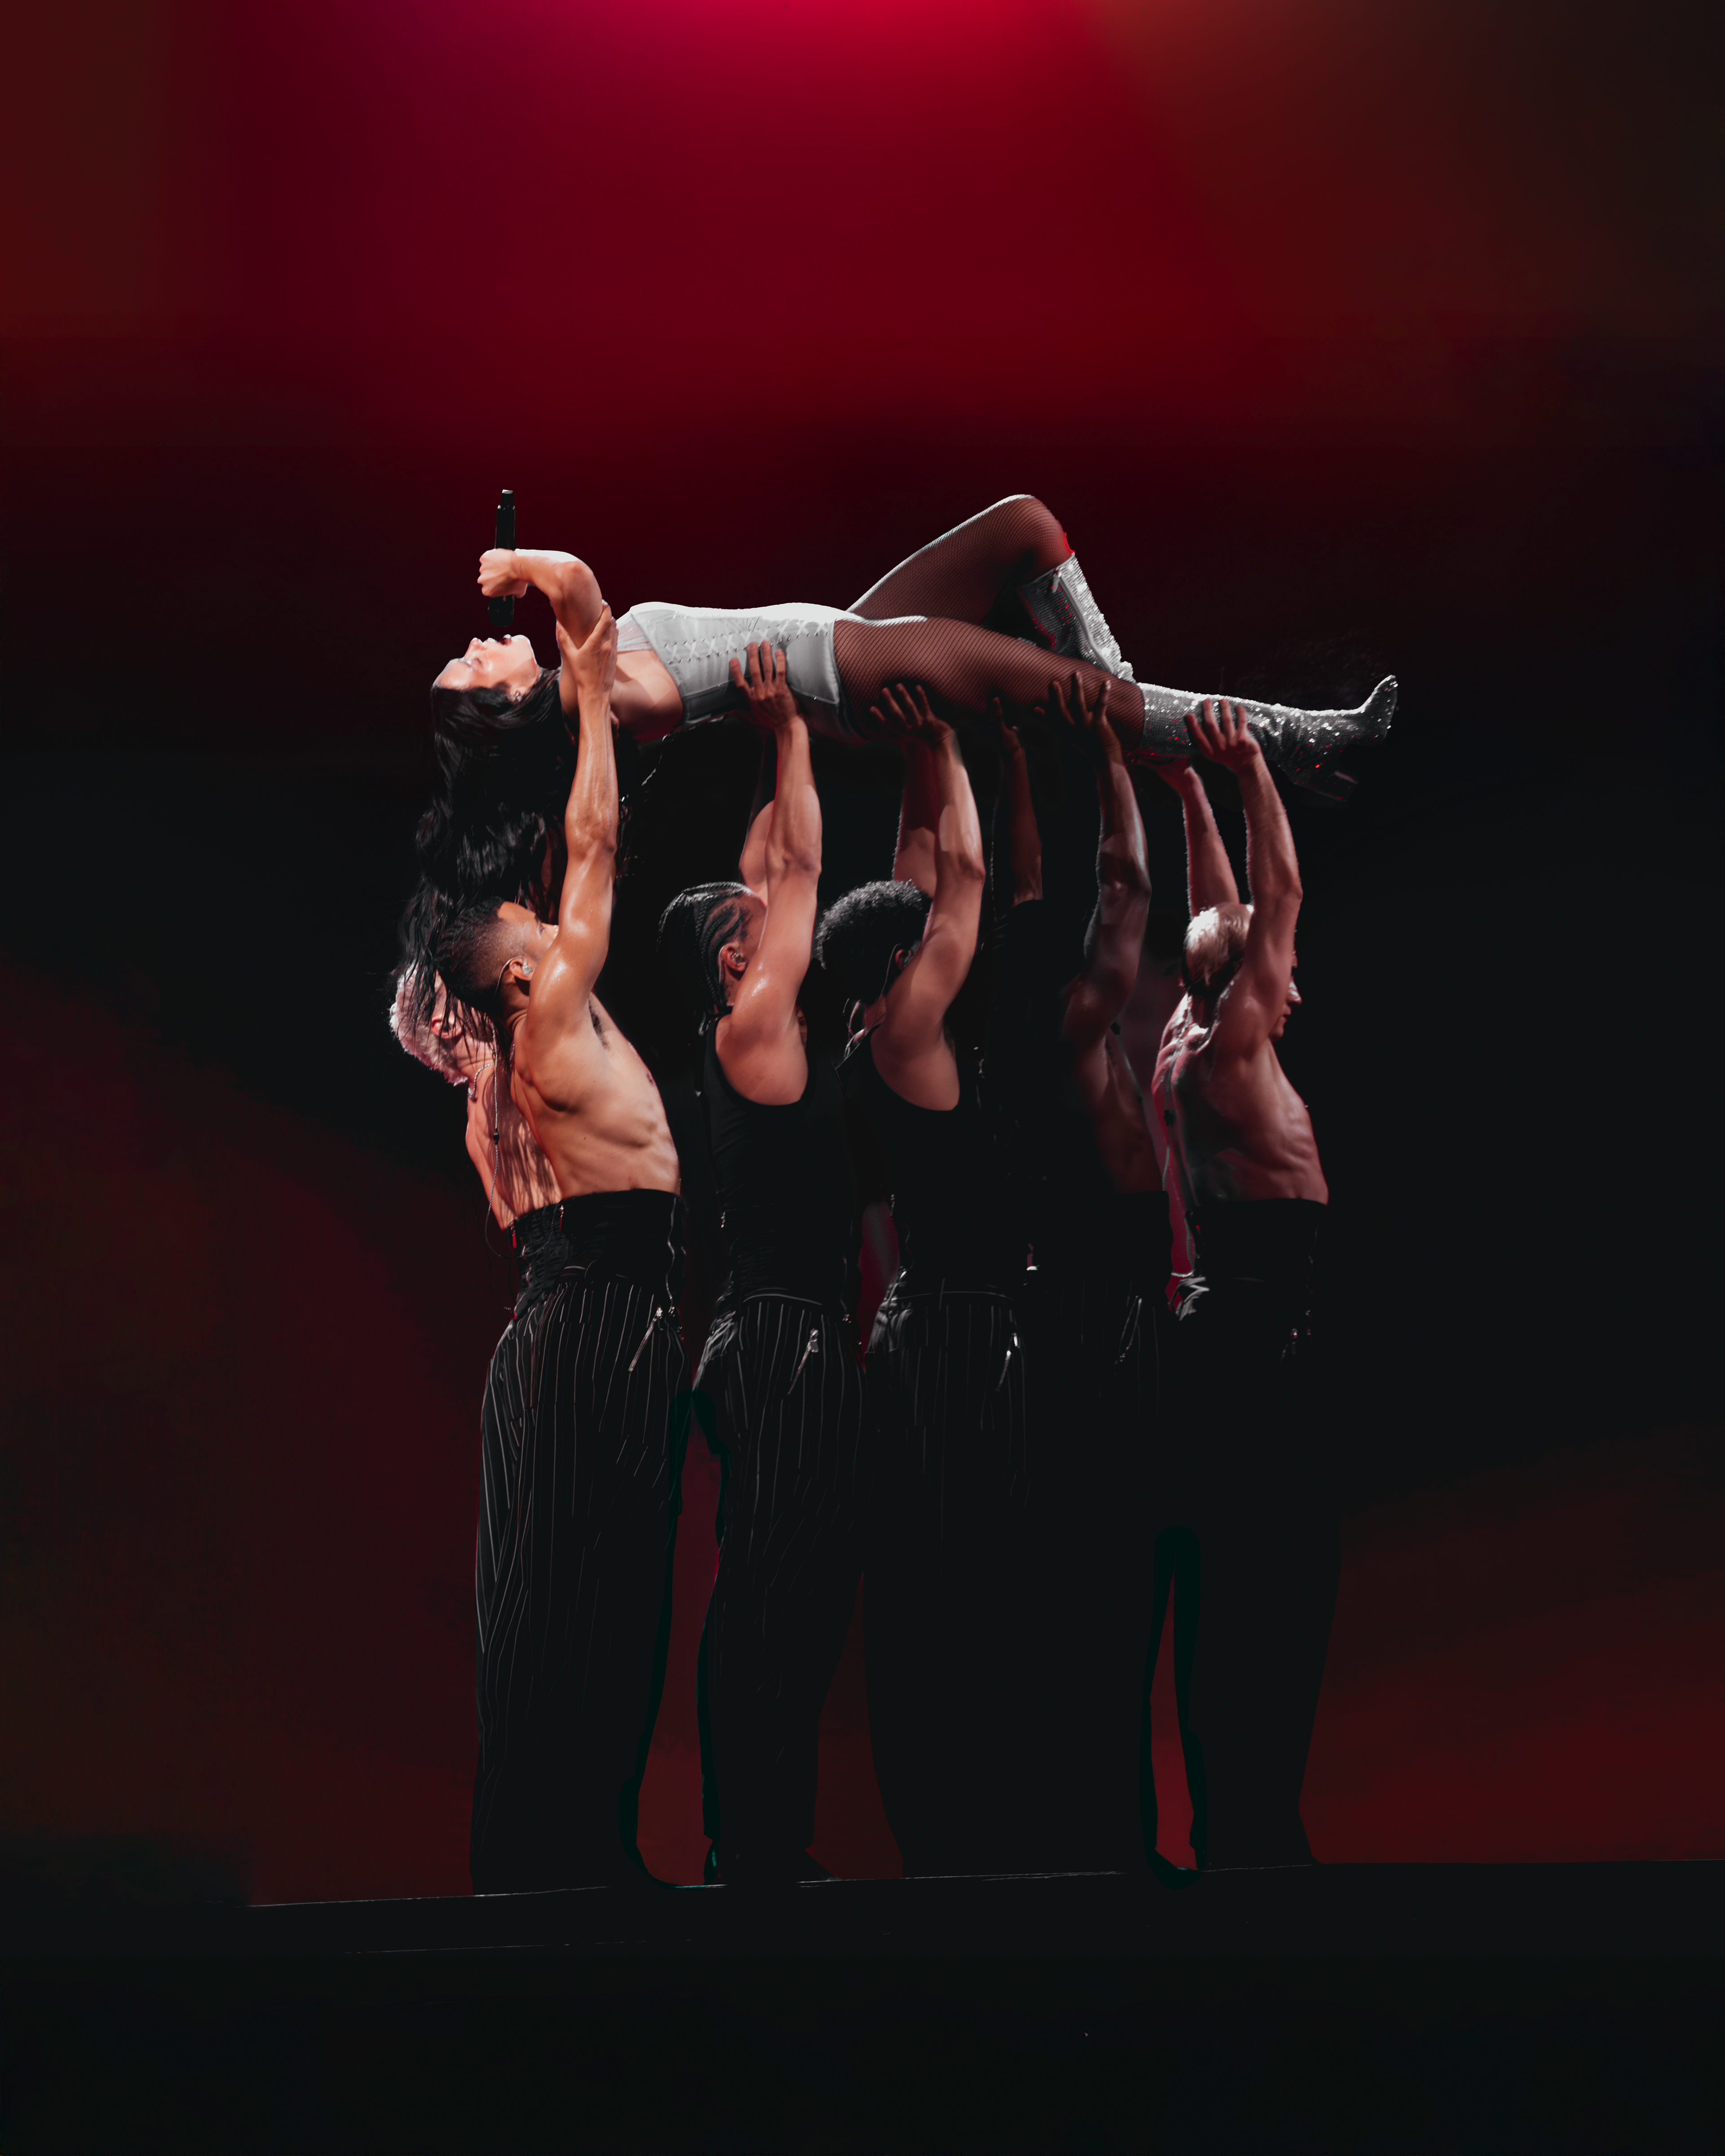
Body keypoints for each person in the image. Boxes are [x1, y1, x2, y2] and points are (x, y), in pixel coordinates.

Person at [408, 497, 1393, 954]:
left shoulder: (584, 681)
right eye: (472, 666)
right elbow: (577, 581)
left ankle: (1133, 708)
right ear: (499, 712)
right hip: (848, 674)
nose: (479, 642)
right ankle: (1304, 741)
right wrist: (523, 566)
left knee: (1026, 527)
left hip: (842, 634)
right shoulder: (582, 699)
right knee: (1089, 702)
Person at [427, 606, 690, 1892]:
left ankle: (563, 1853)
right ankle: (557, 1862)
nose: (557, 931)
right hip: (594, 1309)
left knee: (567, 1588)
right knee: (582, 1586)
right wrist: (585, 694)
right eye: (535, 936)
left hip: (577, 1307)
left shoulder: (511, 1047)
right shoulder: (545, 1012)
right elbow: (593, 842)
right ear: (521, 977)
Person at [657, 645, 865, 1885]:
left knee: (781, 1586)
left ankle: (757, 1839)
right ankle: (755, 1846)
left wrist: (760, 734)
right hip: (782, 1339)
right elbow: (802, 876)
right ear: (737, 962)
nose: (774, 912)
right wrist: (790, 730)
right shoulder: (748, 1026)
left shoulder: (741, 1024)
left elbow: (770, 867)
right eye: (756, 925)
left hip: (776, 1333)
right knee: (777, 1593)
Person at [814, 682, 1028, 1875]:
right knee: (963, 1575)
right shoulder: (904, 1036)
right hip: (956, 1334)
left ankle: (952, 1823)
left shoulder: (873, 1026)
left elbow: (916, 876)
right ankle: (960, 1831)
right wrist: (948, 738)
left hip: (932, 1324)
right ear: (904, 962)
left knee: (941, 1572)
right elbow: (968, 884)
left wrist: (915, 758)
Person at [989, 674, 1175, 1870]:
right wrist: (1111, 753)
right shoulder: (1071, 1023)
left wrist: (1013, 753)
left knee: (1075, 1579)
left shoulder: (1013, 1026)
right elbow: (1127, 890)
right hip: (1102, 1316)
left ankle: (1081, 1834)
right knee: (1113, 1581)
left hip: (1063, 1305)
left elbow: (1024, 885)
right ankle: (1106, 1841)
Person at [1149, 697, 1338, 1870]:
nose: (1293, 980)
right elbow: (1282, 895)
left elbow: (1216, 911)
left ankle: (1240, 1826)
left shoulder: (1189, 1025)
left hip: (1226, 1322)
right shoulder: (1230, 1045)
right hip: (1260, 1331)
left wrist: (1189, 793)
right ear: (1250, 977)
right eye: (1280, 964)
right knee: (1274, 1588)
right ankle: (1257, 1834)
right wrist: (1257, 770)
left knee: (1230, 1583)